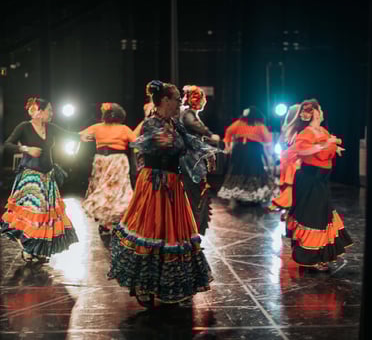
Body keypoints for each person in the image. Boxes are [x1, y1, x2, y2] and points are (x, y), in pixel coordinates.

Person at [107, 80, 217, 308]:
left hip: (173, 184)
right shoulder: (152, 125)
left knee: (175, 233)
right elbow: (154, 144)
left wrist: (206, 153)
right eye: (177, 99)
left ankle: (174, 285)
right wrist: (171, 141)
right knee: (152, 230)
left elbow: (189, 143)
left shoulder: (175, 124)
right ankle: (144, 284)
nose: (180, 102)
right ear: (165, 101)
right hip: (155, 184)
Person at [0, 97, 79, 262]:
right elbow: (7, 144)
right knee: (32, 214)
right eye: (49, 110)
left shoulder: (50, 128)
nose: (52, 113)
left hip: (47, 177)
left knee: (43, 216)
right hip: (30, 177)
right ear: (39, 112)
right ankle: (28, 248)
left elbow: (69, 134)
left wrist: (85, 136)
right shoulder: (25, 127)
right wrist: (26, 148)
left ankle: (34, 248)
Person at [283, 99, 352, 271]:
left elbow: (323, 148)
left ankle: (321, 256)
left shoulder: (322, 130)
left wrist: (333, 148)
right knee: (313, 218)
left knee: (322, 216)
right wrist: (326, 144)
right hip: (309, 180)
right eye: (318, 109)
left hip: (321, 180)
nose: (321, 111)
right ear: (313, 112)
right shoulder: (306, 133)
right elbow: (302, 151)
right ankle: (311, 258)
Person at [79, 102, 136, 235]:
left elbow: (135, 141)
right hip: (107, 162)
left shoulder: (118, 128)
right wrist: (82, 137)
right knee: (110, 191)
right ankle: (108, 223)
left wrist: (82, 137)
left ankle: (110, 222)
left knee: (111, 191)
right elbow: (82, 134)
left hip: (112, 162)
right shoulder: (121, 128)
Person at [179, 85, 220, 235]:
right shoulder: (188, 113)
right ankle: (190, 229)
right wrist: (209, 133)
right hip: (190, 159)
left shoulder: (186, 113)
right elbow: (192, 124)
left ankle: (190, 228)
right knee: (194, 192)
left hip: (191, 156)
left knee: (195, 192)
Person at [217, 106, 277, 208]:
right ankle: (253, 197)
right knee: (254, 172)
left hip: (239, 149)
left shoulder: (240, 123)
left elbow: (229, 131)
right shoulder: (260, 125)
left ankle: (236, 196)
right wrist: (269, 151)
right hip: (254, 150)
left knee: (237, 171)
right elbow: (268, 139)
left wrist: (227, 143)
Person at [268, 104, 301, 217]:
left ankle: (288, 211)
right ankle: (290, 210)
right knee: (293, 186)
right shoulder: (300, 128)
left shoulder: (286, 127)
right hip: (295, 160)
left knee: (289, 185)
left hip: (287, 159)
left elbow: (280, 143)